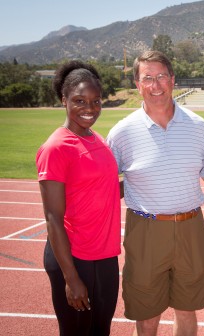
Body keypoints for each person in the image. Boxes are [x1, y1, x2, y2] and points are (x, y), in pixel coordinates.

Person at [106, 50, 204, 336]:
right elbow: (106, 185)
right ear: (137, 84)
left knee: (187, 308)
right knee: (146, 316)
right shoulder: (121, 132)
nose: (155, 85)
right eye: (148, 78)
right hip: (145, 230)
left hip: (190, 228)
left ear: (172, 80)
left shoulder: (197, 126)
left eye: (161, 77)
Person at [36, 60, 121, 335]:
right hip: (75, 258)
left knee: (100, 330)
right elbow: (53, 218)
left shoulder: (96, 139)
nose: (89, 109)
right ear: (64, 100)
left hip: (105, 255)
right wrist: (71, 278)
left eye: (96, 101)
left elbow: (105, 190)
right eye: (80, 101)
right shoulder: (57, 147)